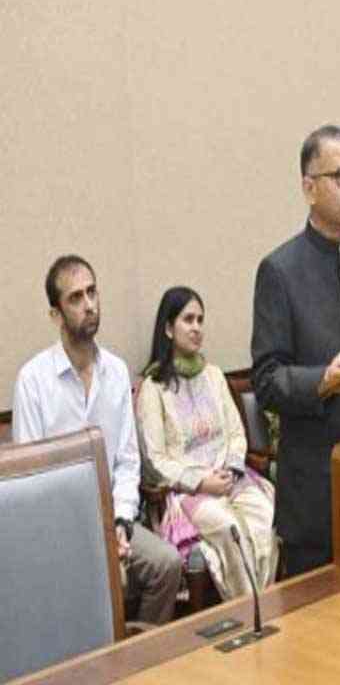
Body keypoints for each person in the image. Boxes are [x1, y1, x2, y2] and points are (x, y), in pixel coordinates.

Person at [251, 125, 340, 575]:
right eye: (339, 177)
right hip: (315, 492)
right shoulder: (279, 271)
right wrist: (321, 380)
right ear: (309, 188)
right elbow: (267, 381)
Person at [11, 255, 182, 623]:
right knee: (107, 580)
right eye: (75, 298)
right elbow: (30, 480)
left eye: (92, 292)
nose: (89, 304)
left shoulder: (117, 372)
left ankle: (141, 665)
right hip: (58, 530)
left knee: (167, 564)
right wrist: (81, 536)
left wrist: (120, 522)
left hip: (112, 519)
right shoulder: (33, 380)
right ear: (56, 315)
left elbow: (126, 460)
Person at [136, 286, 278, 599]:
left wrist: (230, 469)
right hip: (188, 491)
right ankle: (246, 611)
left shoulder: (213, 375)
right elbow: (155, 460)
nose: (197, 327)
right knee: (230, 528)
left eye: (201, 319)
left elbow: (236, 433)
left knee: (264, 514)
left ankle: (266, 601)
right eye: (188, 319)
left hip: (230, 478)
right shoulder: (153, 387)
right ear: (169, 328)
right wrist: (201, 482)